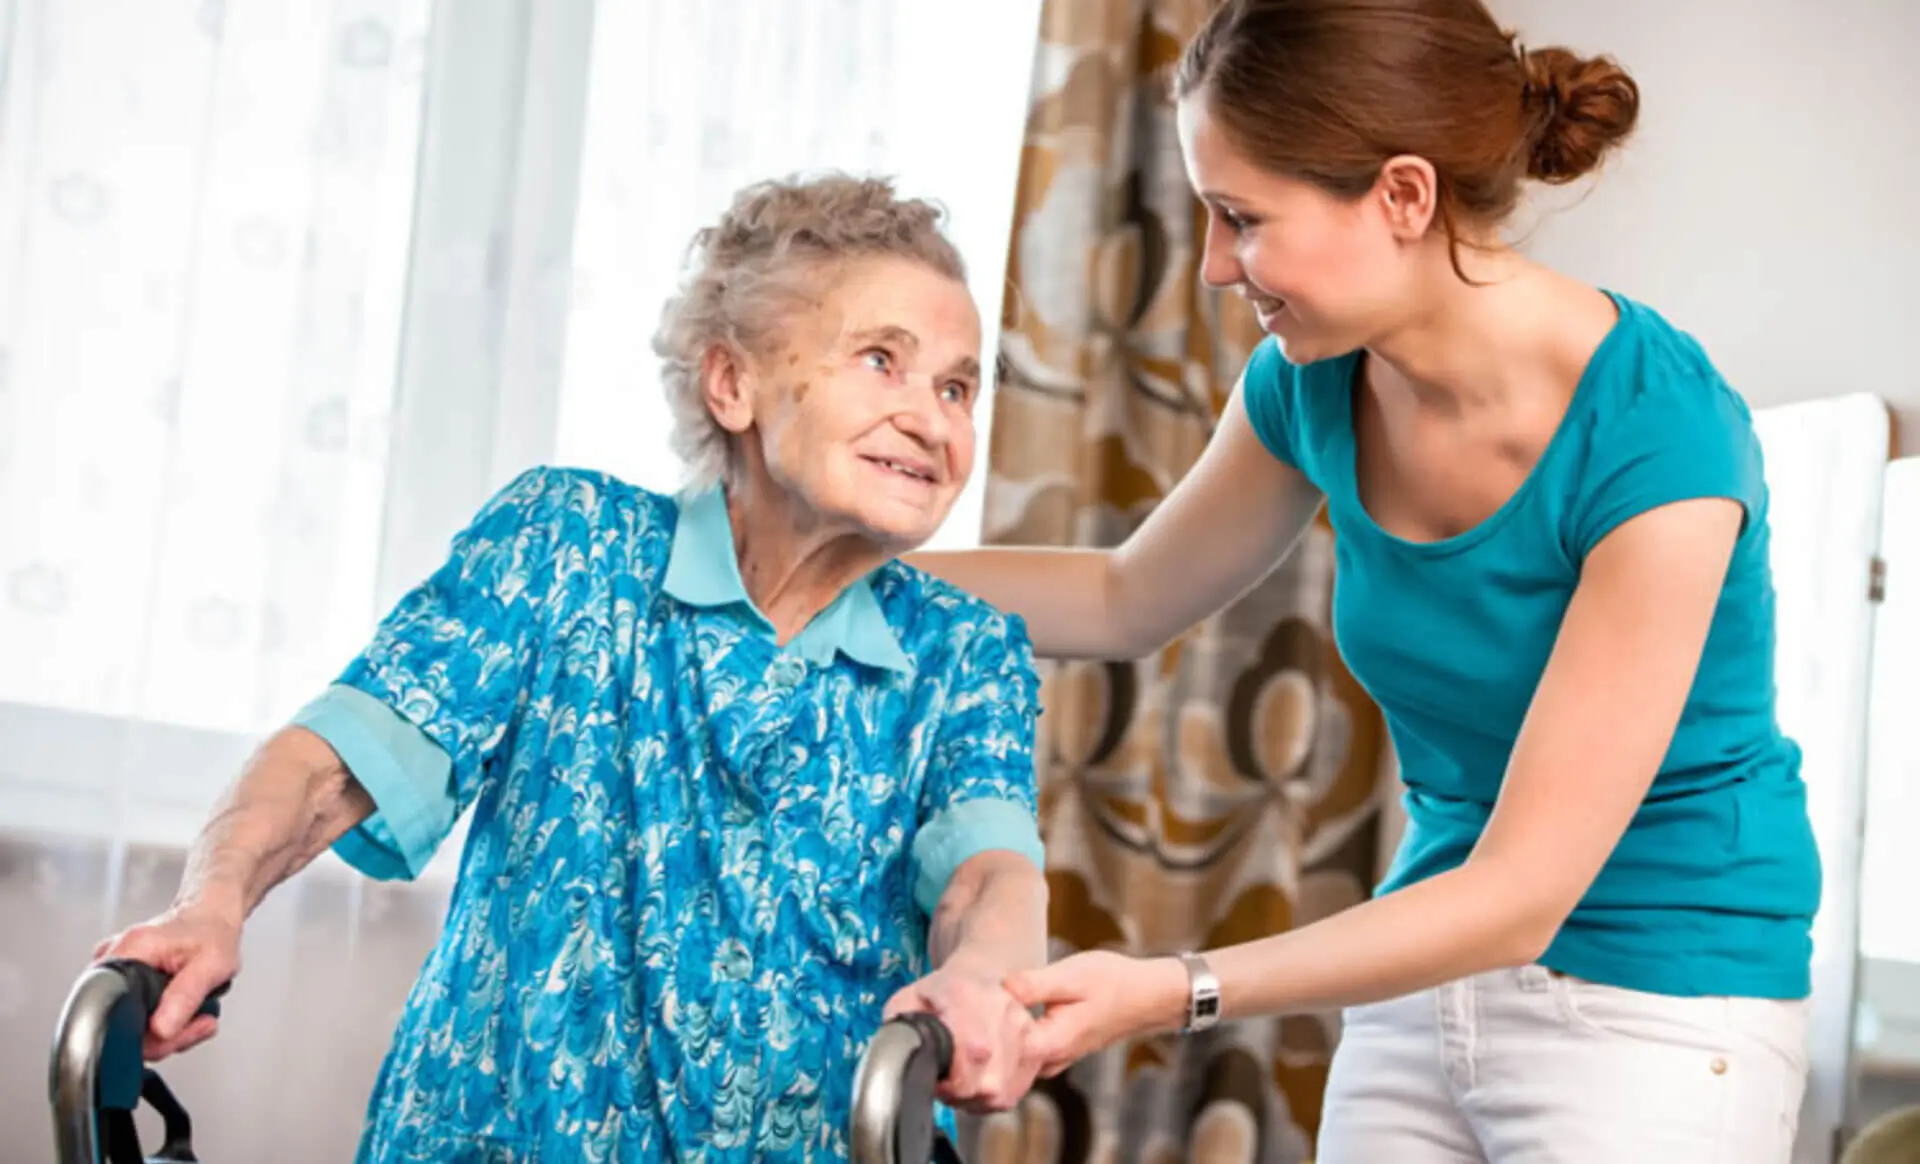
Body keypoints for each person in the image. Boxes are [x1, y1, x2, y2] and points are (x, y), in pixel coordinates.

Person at [907, 1, 1817, 1160]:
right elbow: (1125, 595)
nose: (1212, 267)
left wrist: (1172, 988)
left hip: (1663, 1007)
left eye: (1242, 218)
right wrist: (828, 559)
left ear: (1402, 196)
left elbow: (1525, 890)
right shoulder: (1311, 383)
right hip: (1429, 975)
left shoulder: (1661, 440)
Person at [93, 174, 1051, 1163]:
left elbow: (990, 876)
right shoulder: (569, 547)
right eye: (881, 360)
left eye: (955, 386)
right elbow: (334, 762)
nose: (932, 420)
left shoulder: (967, 655)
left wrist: (983, 976)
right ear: (734, 384)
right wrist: (211, 903)